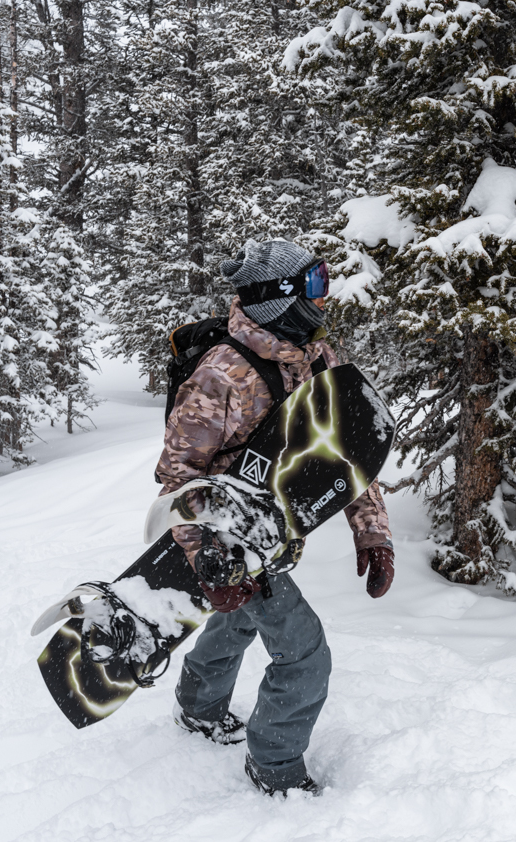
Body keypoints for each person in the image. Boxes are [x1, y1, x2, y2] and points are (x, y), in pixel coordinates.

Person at [155, 239, 394, 797]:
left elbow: (349, 449)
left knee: (239, 620)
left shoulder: (317, 358)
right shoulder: (224, 375)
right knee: (304, 653)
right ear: (280, 297)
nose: (325, 296)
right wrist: (206, 557)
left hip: (275, 530)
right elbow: (177, 472)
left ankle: (198, 707)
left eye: (324, 280)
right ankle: (276, 766)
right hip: (229, 538)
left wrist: (372, 532)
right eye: (314, 284)